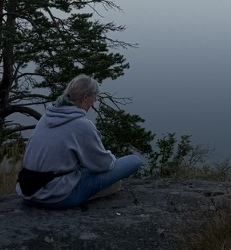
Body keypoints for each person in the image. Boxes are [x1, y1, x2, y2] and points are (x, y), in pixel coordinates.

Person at [17, 74, 142, 209]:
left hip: (28, 193)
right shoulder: (81, 125)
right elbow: (103, 165)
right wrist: (110, 156)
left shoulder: (46, 118)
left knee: (84, 169)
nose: (94, 102)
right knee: (134, 161)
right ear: (86, 97)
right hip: (56, 197)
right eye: (94, 98)